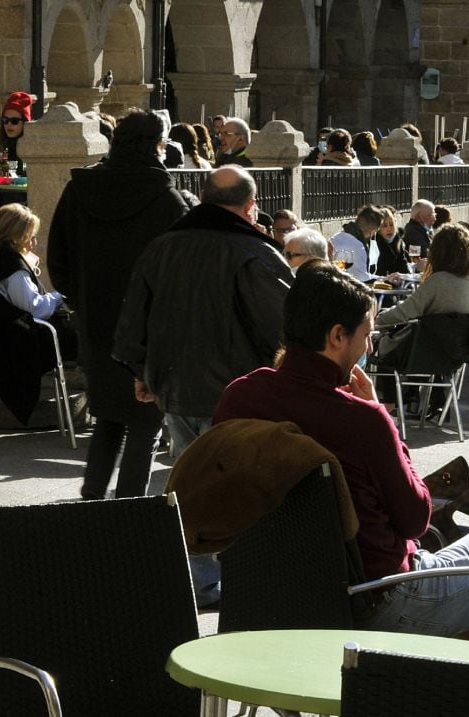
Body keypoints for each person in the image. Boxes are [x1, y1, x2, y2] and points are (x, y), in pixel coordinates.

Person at [212, 261, 469, 646]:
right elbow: (414, 518)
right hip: (379, 602)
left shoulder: (239, 396)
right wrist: (387, 423)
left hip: (268, 599)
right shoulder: (361, 419)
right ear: (337, 336)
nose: (370, 346)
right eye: (367, 334)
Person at [112, 166, 291, 608]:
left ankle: (202, 580)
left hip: (176, 387)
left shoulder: (162, 247)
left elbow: (134, 318)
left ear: (203, 198)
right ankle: (235, 577)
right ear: (250, 207)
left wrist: (142, 371)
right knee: (242, 486)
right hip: (237, 391)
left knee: (191, 483)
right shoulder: (255, 252)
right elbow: (286, 326)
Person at [48, 109, 192, 501]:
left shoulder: (80, 190)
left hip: (96, 322)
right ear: (153, 145)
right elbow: (180, 270)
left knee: (109, 418)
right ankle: (130, 514)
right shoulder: (166, 199)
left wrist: (82, 300)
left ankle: (93, 502)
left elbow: (57, 260)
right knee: (145, 425)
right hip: (147, 327)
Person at [0, 205, 76, 424]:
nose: (34, 243)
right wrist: (58, 296)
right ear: (18, 236)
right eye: (31, 237)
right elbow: (35, 308)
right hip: (18, 343)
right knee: (81, 339)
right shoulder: (13, 268)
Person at [374, 222, 469, 331]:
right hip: (464, 347)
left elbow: (405, 311)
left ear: (437, 251)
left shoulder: (438, 280)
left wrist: (377, 320)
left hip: (428, 345)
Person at [331, 205, 385, 282]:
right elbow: (360, 278)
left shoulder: (337, 237)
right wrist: (385, 279)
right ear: (373, 230)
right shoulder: (357, 245)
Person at [373, 207, 409, 277]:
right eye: (384, 226)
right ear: (378, 229)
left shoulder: (398, 241)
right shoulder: (375, 243)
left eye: (391, 224)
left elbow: (403, 266)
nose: (389, 228)